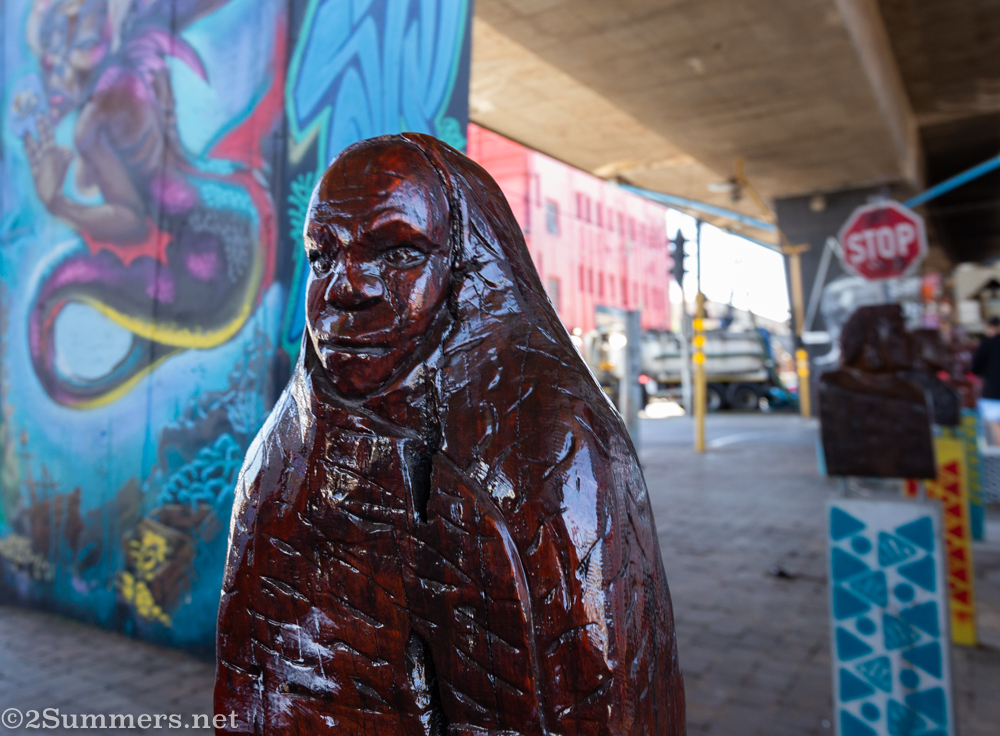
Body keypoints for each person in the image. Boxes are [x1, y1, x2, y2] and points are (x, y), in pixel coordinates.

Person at [214, 135, 685, 735]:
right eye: (323, 256)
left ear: (471, 267)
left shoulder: (550, 455)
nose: (345, 287)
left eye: (399, 253)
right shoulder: (278, 456)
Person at [972, 316, 1000, 445]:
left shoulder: (988, 343)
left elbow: (975, 368)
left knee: (995, 425)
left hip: (993, 391)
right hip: (992, 392)